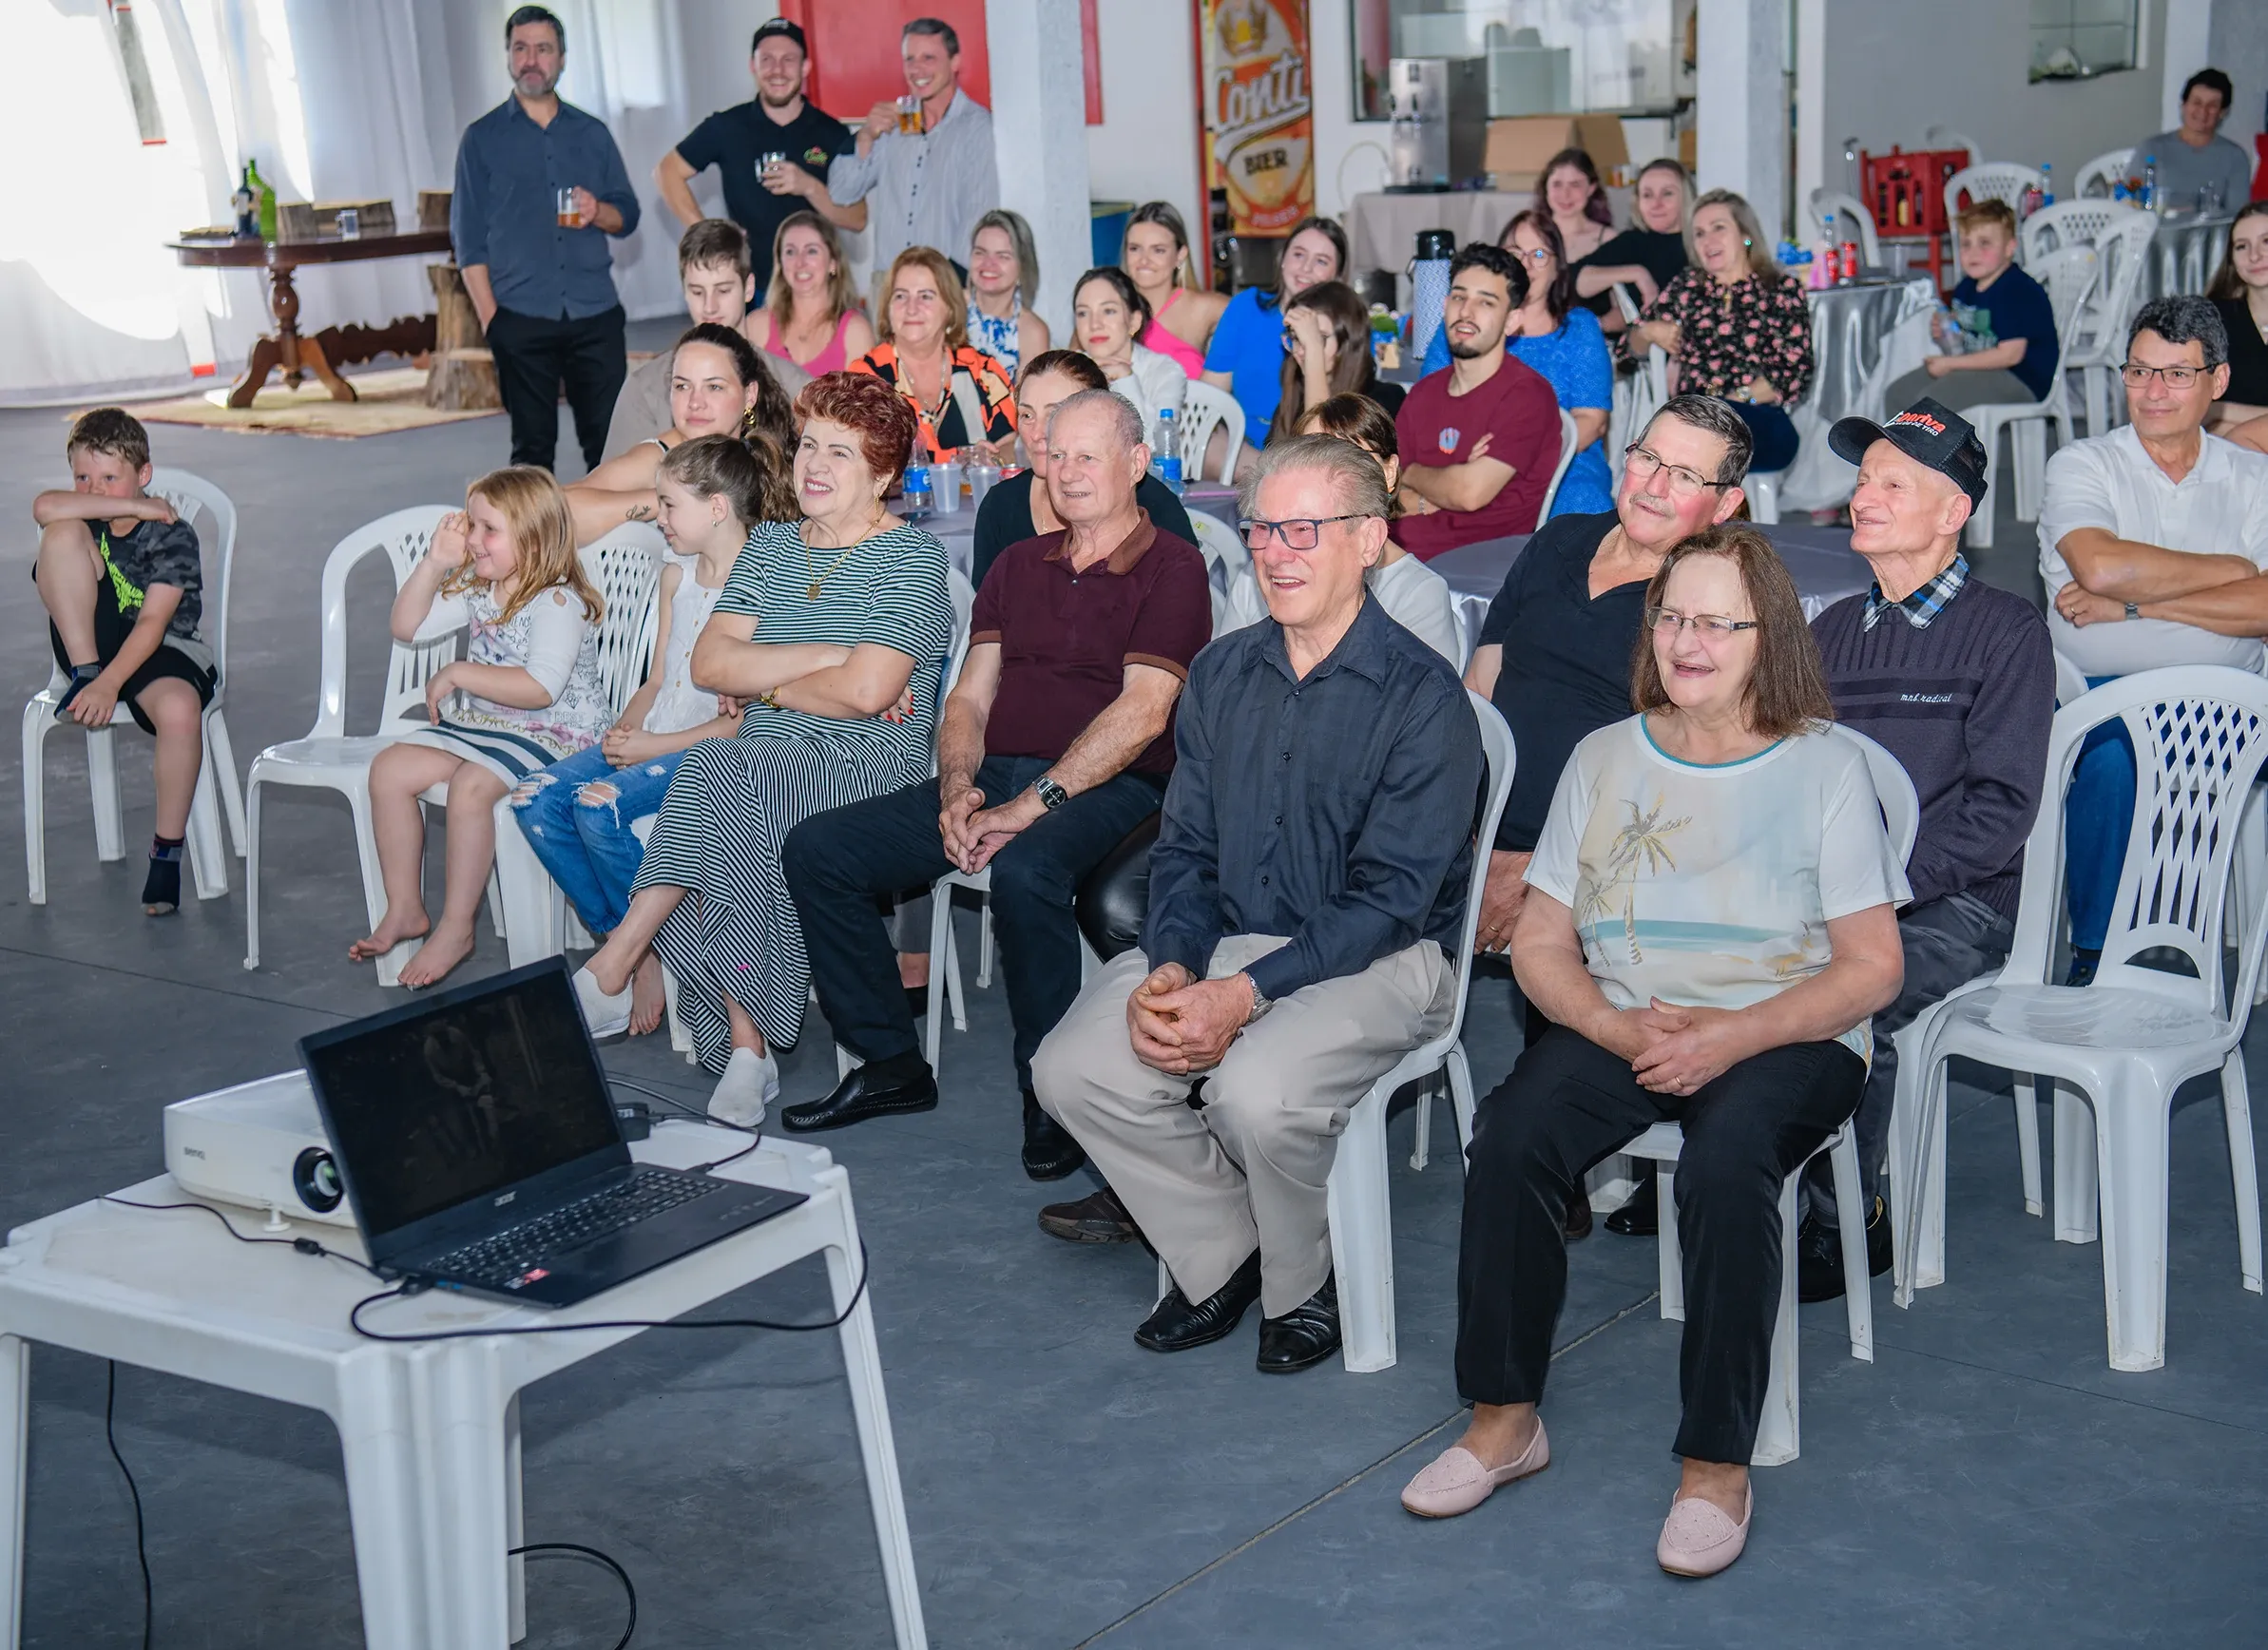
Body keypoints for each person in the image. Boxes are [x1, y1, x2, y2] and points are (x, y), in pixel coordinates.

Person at [1403, 527, 1907, 1582]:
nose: (1686, 640)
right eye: (1671, 615)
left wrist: (1737, 1032)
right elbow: (1540, 944)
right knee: (1510, 1136)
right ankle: (1504, 1417)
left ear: (1764, 634)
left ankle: (1716, 1460)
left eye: (1714, 621)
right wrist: (1618, 1027)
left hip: (1790, 1024)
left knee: (1727, 1162)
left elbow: (1870, 968)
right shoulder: (1605, 755)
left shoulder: (1823, 764)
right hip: (1633, 1017)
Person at [1032, 434, 1482, 1374]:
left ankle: (1300, 1278)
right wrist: (1173, 964)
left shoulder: (1423, 699)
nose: (1275, 551)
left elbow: (1393, 898)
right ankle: (1227, 1249)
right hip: (1236, 938)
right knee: (1072, 1065)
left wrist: (1243, 995)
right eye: (1263, 528)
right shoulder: (1223, 675)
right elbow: (1186, 850)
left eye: (1304, 530)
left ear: (1367, 538)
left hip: (1384, 959)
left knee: (1255, 1089)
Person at [782, 390, 1212, 1173]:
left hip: (1118, 788)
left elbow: (1145, 714)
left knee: (1026, 869)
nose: (1068, 471)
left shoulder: (1172, 568)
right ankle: (889, 1064)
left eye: (1090, 455)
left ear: (1138, 464)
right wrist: (956, 790)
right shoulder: (1018, 565)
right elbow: (970, 697)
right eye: (1055, 454)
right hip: (998, 776)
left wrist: (1029, 806)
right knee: (819, 848)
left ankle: (1046, 1095)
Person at [576, 374, 952, 1124]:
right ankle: (748, 1046)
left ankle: (619, 964)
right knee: (737, 783)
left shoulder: (914, 560)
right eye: (809, 444)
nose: (813, 464)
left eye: (840, 455)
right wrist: (827, 657)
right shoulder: (773, 548)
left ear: (882, 475)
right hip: (763, 757)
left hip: (867, 768)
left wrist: (769, 683)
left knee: (721, 770)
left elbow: (868, 696)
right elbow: (710, 666)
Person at [1463, 393, 1753, 1239]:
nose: (1655, 484)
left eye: (1686, 474)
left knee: (1569, 924)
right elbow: (1479, 691)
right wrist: (1468, 839)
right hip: (1488, 828)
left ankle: (1546, 1147)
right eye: (1646, 456)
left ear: (1726, 504)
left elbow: (1675, 777)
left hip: (1610, 850)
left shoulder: (1705, 602)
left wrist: (1533, 868)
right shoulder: (1559, 540)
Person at [1802, 398, 2054, 1295]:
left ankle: (1845, 1219)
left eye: (1892, 482)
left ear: (1954, 512)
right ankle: (1729, 1174)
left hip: (1963, 900)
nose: (1863, 497)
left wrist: (1880, 887)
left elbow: (2000, 811)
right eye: (1863, 479)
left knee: (1849, 995)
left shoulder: (2008, 631)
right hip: (1844, 890)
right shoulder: (1826, 635)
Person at [515, 437, 791, 1039]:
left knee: (600, 810)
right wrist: (628, 727)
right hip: (657, 734)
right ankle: (630, 945)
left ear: (717, 508)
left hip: (711, 752)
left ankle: (649, 957)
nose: (658, 518)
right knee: (534, 799)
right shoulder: (677, 576)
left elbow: (749, 719)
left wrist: (648, 749)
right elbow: (659, 677)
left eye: (669, 505)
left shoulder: (768, 585)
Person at [2040, 297, 2268, 985]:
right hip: (2107, 693)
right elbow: (2099, 567)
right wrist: (2232, 576)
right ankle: (2099, 958)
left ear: (2217, 382)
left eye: (2175, 374)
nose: (2154, 392)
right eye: (2139, 372)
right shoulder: (2081, 465)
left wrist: (2133, 606)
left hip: (2235, 703)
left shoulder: (2254, 477)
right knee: (2111, 754)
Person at [350, 468, 610, 988]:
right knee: (389, 770)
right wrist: (433, 564)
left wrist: (459, 671)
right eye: (471, 526)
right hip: (487, 724)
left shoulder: (558, 601)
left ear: (535, 539)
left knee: (471, 789)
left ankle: (456, 927)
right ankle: (406, 907)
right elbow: (406, 627)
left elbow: (541, 689)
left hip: (554, 734)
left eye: (487, 530)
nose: (471, 540)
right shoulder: (477, 585)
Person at [29, 408, 214, 917]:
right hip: (91, 641)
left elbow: (154, 623)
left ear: (143, 474)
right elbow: (44, 505)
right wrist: (97, 675)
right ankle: (85, 674)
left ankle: (166, 850)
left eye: (110, 478)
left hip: (162, 645)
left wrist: (114, 685)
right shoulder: (86, 516)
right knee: (60, 534)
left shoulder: (172, 534)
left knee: (180, 711)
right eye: (83, 478)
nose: (96, 489)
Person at [452, 6, 640, 473]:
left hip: (594, 313)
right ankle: (535, 549)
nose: (531, 59)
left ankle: (613, 547)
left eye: (543, 49)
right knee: (532, 455)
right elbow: (468, 240)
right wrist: (493, 321)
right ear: (509, 57)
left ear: (562, 58)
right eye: (521, 48)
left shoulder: (592, 134)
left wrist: (600, 211)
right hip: (520, 318)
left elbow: (628, 215)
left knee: (610, 447)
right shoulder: (481, 138)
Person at [1420, 210, 1613, 517]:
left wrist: (1515, 457)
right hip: (1468, 462)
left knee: (1581, 514)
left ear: (1557, 268)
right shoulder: (1463, 326)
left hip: (1564, 468)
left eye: (1538, 254)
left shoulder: (1579, 328)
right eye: (1514, 253)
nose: (1525, 264)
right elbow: (1429, 408)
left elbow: (1591, 420)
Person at [656, 18, 860, 290]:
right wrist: (706, 232)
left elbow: (857, 218)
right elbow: (666, 172)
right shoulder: (727, 126)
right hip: (751, 285)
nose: (777, 70)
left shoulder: (832, 134)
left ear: (805, 67)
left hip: (814, 285)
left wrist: (809, 187)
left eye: (788, 59)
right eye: (767, 59)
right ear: (753, 66)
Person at [1393, 243, 1563, 559]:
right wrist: (1423, 493)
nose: (1466, 312)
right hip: (1395, 552)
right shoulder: (1425, 392)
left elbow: (1468, 493)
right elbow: (1381, 484)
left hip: (1474, 566)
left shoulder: (1528, 395)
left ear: (1512, 321)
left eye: (1486, 302)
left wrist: (1412, 472)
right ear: (1445, 305)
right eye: (1459, 297)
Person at [1628, 189, 1814, 475]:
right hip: (1694, 418)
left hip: (1757, 418)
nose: (1708, 240)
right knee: (1685, 439)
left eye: (1719, 228)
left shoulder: (1780, 290)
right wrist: (1649, 331)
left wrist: (1733, 400)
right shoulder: (1688, 286)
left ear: (1745, 234)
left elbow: (1795, 372)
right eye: (1699, 233)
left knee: (1694, 442)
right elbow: (1628, 352)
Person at [971, 352, 1197, 586]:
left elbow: (1185, 607)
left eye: (1055, 414)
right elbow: (985, 615)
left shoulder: (1153, 507)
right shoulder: (1000, 506)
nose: (1036, 433)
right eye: (1027, 415)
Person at [603, 221, 807, 462]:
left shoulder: (793, 386)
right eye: (698, 292)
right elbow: (612, 490)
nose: (710, 307)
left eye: (723, 290)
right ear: (684, 292)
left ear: (748, 288)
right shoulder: (645, 387)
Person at [571, 323, 790, 545]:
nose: (695, 402)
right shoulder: (658, 458)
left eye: (714, 387)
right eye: (682, 386)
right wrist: (670, 499)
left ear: (750, 395)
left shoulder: (772, 455)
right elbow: (559, 510)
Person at [1294, 393, 1462, 664]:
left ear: (1389, 472)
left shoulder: (1417, 595)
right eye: (1310, 459)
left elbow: (1426, 701)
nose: (1328, 479)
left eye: (1351, 459)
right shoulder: (1267, 574)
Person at [828, 17, 998, 282]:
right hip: (889, 280)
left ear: (954, 63)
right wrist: (864, 136)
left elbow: (978, 215)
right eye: (909, 59)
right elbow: (841, 193)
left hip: (944, 281)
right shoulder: (893, 122)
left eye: (928, 58)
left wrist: (947, 286)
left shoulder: (976, 126)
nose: (917, 69)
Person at [1884, 201, 2058, 413]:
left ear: (2009, 248)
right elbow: (1965, 339)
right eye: (1966, 244)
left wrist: (1951, 364)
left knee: (1931, 402)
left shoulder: (2017, 290)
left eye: (1984, 243)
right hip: (1978, 369)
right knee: (1898, 394)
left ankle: (1942, 446)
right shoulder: (1966, 287)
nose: (1973, 253)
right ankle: (1900, 447)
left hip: (2020, 377)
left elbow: (2010, 355)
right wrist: (1945, 335)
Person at [851, 246, 1018, 466]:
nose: (911, 308)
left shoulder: (982, 371)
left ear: (949, 308)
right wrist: (958, 460)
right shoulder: (866, 378)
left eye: (925, 296)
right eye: (901, 296)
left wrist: (992, 459)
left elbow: (1012, 445)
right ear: (888, 308)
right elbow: (868, 462)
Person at [1201, 216, 1348, 450]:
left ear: (1337, 276)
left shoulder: (1348, 327)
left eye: (1321, 261)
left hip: (1319, 451)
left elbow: (1337, 427)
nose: (1306, 268)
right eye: (1298, 255)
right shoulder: (1246, 307)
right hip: (1245, 451)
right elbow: (1209, 396)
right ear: (1282, 259)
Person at [1273, 279, 1404, 449]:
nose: (1301, 350)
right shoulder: (1292, 402)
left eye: (1319, 338)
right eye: (1297, 338)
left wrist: (1314, 352)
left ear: (1348, 342)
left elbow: (1324, 455)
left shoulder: (1384, 400)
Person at [744, 211, 874, 381]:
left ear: (833, 263)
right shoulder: (757, 326)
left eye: (811, 251)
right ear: (780, 263)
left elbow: (863, 405)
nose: (800, 262)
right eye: (790, 252)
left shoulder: (855, 331)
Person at [1572, 157, 1695, 329]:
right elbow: (1576, 280)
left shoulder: (1701, 243)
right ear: (1637, 202)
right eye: (1647, 195)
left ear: (1686, 198)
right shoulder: (1631, 242)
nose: (1656, 204)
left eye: (1667, 193)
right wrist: (1637, 273)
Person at [1124, 200, 1226, 380]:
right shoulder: (1106, 307)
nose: (1144, 260)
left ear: (1180, 255)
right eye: (1135, 249)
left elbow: (1259, 318)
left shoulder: (1203, 307)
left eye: (1158, 250)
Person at [2132, 67, 2254, 219]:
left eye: (2212, 106)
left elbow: (2237, 215)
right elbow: (2126, 199)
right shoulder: (2151, 148)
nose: (2203, 112)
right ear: (2183, 106)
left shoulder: (2235, 157)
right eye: (2197, 103)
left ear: (2223, 113)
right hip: (2154, 236)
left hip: (2209, 238)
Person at [1073, 265, 1188, 426]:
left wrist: (1126, 381)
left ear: (1134, 321)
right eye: (1083, 313)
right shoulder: (1070, 371)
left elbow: (1160, 441)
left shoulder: (1164, 371)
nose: (1094, 324)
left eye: (1108, 311)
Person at [2206, 201, 2268, 436]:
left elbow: (2211, 412)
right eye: (2242, 246)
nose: (2254, 255)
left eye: (2266, 241)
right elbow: (2195, 408)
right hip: (2229, 454)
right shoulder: (2214, 317)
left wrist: (2221, 410)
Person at [967, 209, 1050, 376]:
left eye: (1003, 256)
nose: (989, 264)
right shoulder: (947, 306)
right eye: (980, 253)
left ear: (1023, 267)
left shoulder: (1032, 332)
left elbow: (1027, 400)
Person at [1537, 147, 1613, 265]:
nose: (1565, 194)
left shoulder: (1608, 240)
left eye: (1575, 185)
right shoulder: (1530, 236)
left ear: (1591, 189)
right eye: (1557, 184)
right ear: (1546, 187)